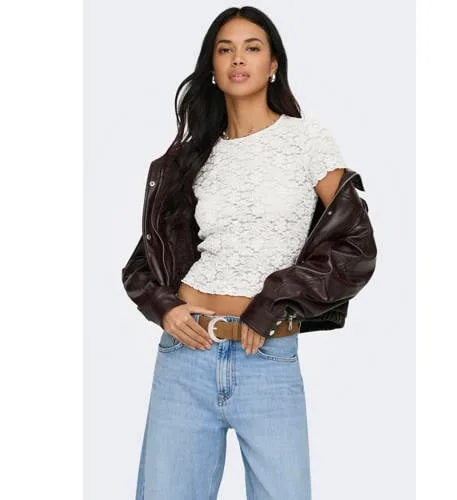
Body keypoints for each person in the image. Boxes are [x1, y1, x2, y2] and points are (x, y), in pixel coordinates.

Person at [122, 6, 377, 500]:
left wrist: (274, 300)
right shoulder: (190, 157)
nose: (238, 58)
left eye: (252, 48)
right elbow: (142, 263)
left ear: (273, 64)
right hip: (185, 356)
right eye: (226, 49)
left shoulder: (306, 141)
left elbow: (356, 245)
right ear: (212, 68)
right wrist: (164, 308)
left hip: (268, 357)